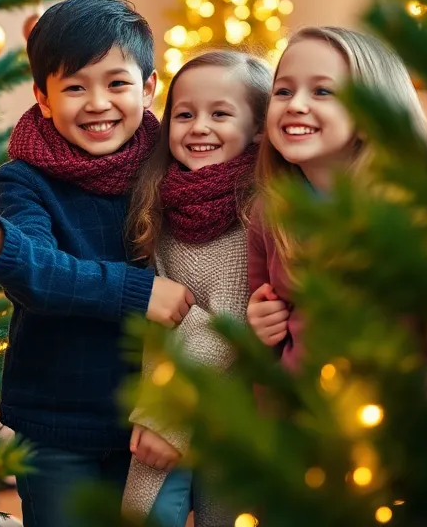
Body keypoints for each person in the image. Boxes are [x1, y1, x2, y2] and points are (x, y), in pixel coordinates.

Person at [0, 0, 195, 527]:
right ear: (42, 97)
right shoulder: (23, 180)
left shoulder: (170, 167)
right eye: (74, 87)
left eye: (116, 83)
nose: (97, 103)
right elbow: (39, 274)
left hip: (152, 422)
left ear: (150, 88)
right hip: (56, 424)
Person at [245, 26, 427, 366]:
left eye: (322, 91)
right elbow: (269, 348)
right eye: (284, 91)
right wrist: (261, 329)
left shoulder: (419, 213)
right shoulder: (269, 212)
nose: (296, 105)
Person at [121, 51, 272, 527]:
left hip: (225, 414)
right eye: (184, 114)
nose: (198, 127)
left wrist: (163, 416)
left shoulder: (254, 209)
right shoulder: (162, 200)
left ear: (259, 128)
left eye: (220, 114)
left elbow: (229, 320)